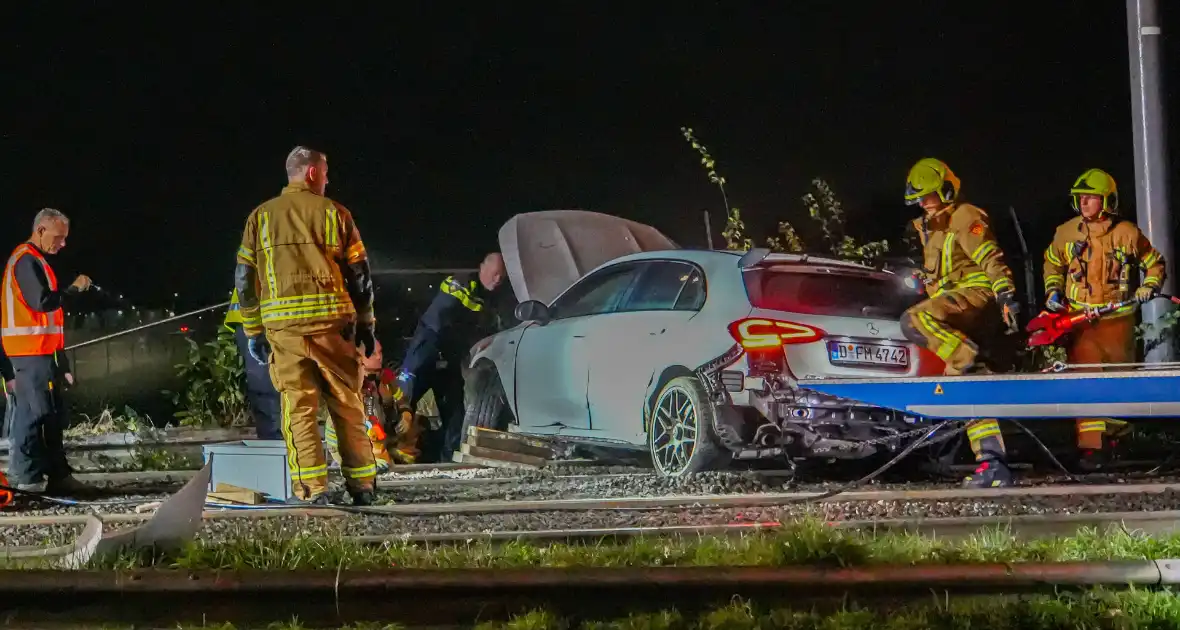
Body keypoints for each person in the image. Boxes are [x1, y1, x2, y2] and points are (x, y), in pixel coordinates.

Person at [234, 146, 379, 506]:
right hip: (333, 328)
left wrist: (253, 330)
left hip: (284, 332)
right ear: (312, 174)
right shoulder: (336, 214)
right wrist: (366, 324)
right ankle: (363, 487)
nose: (328, 180)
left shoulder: (260, 217)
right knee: (347, 404)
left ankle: (313, 491)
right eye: (326, 173)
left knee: (298, 408)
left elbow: (243, 278)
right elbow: (360, 275)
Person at [899, 159, 1020, 489]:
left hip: (977, 297)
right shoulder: (931, 230)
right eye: (919, 199)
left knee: (914, 319)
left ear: (946, 190)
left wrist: (1006, 293)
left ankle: (967, 358)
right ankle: (993, 465)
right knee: (966, 391)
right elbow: (944, 273)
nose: (924, 204)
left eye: (929, 196)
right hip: (956, 304)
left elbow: (989, 256)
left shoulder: (969, 217)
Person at [1042, 168, 1165, 470]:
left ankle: (1118, 442)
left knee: (1119, 381)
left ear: (1107, 200)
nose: (1084, 202)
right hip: (1079, 319)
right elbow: (1051, 264)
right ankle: (1091, 449)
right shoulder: (1066, 233)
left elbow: (1154, 263)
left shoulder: (1127, 234)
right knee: (1086, 378)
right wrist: (1053, 291)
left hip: (1118, 319)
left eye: (1091, 198)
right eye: (1080, 197)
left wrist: (1150, 286)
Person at [1, 208, 93, 494]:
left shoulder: (36, 260)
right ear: (40, 230)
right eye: (59, 237)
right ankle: (24, 480)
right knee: (32, 416)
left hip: (40, 353)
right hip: (27, 354)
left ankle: (57, 476)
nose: (62, 244)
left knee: (50, 416)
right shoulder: (25, 261)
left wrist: (62, 363)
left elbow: (48, 320)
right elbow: (42, 303)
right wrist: (75, 290)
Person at [394, 253, 509, 463]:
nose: (497, 280)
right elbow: (442, 318)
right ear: (482, 267)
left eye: (501, 276)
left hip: (452, 356)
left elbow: (496, 327)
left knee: (455, 408)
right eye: (494, 274)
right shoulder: (461, 282)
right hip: (428, 348)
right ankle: (386, 452)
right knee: (403, 399)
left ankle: (447, 460)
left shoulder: (495, 297)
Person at [327, 340, 415, 468]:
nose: (379, 357)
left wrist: (406, 413)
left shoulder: (385, 379)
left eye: (380, 352)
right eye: (372, 354)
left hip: (384, 448)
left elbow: (401, 399)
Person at [222, 288, 281, 440]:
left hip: (262, 317)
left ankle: (279, 445)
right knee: (266, 390)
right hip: (259, 319)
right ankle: (275, 445)